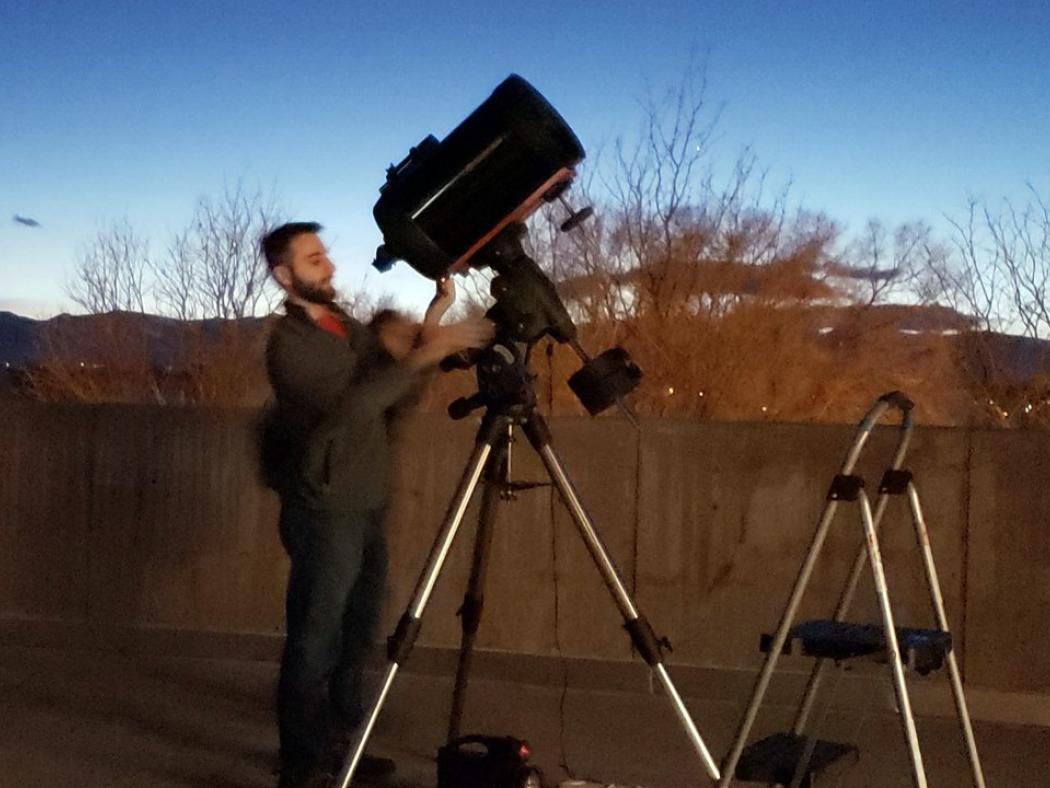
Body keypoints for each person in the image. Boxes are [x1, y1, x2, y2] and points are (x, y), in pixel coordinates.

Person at [259, 222, 492, 788]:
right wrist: (429, 352)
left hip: (367, 502)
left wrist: (433, 325)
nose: (331, 266)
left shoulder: (347, 330)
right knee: (316, 638)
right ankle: (301, 763)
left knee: (361, 632)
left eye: (326, 256)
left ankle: (347, 745)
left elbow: (395, 388)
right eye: (315, 260)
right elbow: (353, 408)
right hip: (325, 511)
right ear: (284, 275)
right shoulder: (289, 345)